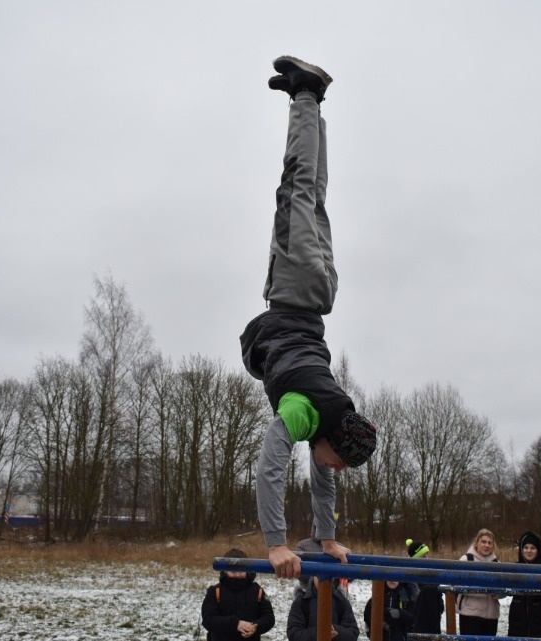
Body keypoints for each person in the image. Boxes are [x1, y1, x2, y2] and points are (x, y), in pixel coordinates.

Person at [240, 55, 378, 580]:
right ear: (334, 440)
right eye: (340, 460)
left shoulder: (335, 414)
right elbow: (270, 468)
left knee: (314, 198)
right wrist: (275, 544)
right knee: (295, 188)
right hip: (296, 288)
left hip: (318, 297)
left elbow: (323, 477)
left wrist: (327, 538)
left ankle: (313, 101)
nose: (336, 469)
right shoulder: (302, 410)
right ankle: (306, 94)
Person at [201, 548, 275, 641]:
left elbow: (269, 617)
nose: (237, 575)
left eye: (241, 571)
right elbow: (208, 620)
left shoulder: (257, 591)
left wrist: (256, 626)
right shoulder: (215, 591)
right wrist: (235, 624)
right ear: (225, 571)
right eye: (233, 571)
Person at [507, 531, 541, 638]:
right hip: (518, 628)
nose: (528, 551)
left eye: (533, 548)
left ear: (539, 550)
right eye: (525, 547)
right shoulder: (513, 570)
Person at [456, 528, 502, 636]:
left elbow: (503, 590)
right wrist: (486, 589)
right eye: (483, 542)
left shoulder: (497, 563)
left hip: (491, 616)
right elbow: (457, 585)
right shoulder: (466, 560)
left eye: (490, 543)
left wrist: (496, 592)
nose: (487, 545)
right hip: (470, 615)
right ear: (476, 543)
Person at [287, 575, 360, 641]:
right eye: (319, 575)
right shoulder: (302, 602)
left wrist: (335, 630)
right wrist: (319, 633)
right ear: (313, 576)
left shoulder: (341, 601)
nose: (324, 580)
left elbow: (353, 633)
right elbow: (293, 634)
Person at [405, 538, 444, 634]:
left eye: (427, 554)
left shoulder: (432, 574)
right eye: (423, 555)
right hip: (415, 622)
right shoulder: (408, 577)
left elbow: (439, 599)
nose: (426, 558)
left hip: (432, 620)